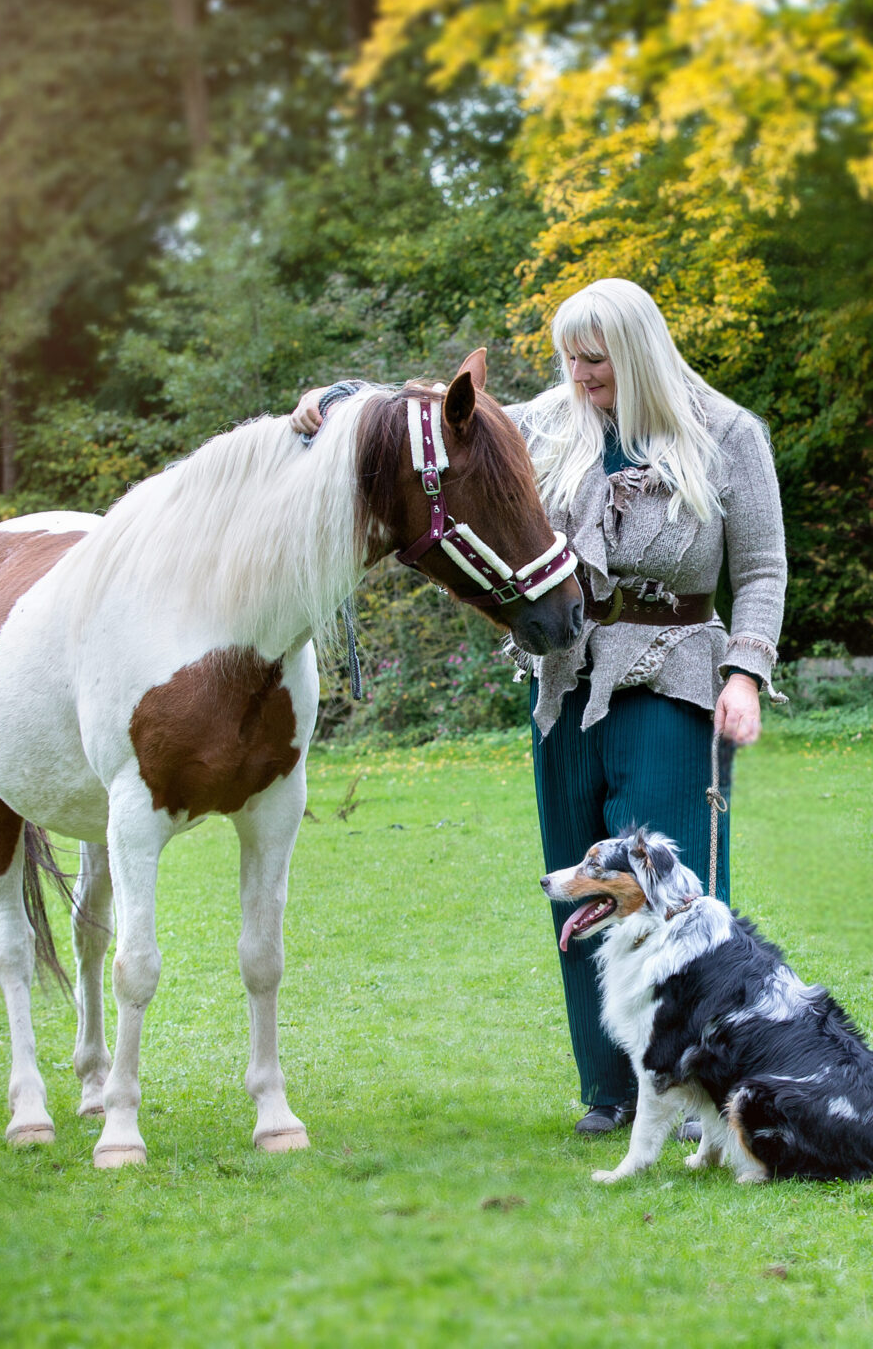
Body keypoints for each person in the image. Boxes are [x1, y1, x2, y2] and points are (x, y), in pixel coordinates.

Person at [290, 278, 786, 1136]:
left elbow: (765, 569)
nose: (580, 376)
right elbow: (438, 423)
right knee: (583, 885)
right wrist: (338, 401)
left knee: (675, 896)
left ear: (637, 353)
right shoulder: (549, 422)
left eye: (595, 361)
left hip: (674, 680)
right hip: (564, 685)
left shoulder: (728, 434)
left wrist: (744, 673)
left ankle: (703, 1086)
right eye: (569, 359)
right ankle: (610, 1093)